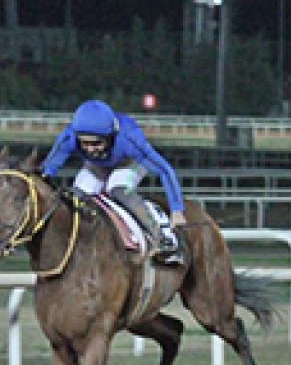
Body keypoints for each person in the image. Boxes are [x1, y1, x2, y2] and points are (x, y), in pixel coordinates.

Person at [40, 99, 187, 263]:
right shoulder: (68, 137)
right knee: (76, 196)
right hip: (96, 165)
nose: (89, 148)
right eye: (85, 143)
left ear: (111, 136)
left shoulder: (130, 139)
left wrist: (177, 210)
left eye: (96, 143)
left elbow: (165, 170)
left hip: (129, 162)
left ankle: (161, 236)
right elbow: (46, 171)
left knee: (117, 189)